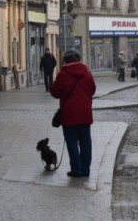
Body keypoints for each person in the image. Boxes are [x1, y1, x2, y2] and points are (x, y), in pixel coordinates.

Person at [50, 49, 96, 178]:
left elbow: (55, 92)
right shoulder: (87, 72)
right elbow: (92, 89)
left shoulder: (63, 74)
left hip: (69, 115)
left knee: (71, 142)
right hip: (85, 114)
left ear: (66, 60)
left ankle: (76, 170)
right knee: (85, 142)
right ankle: (86, 170)